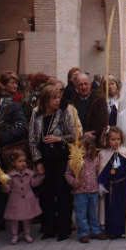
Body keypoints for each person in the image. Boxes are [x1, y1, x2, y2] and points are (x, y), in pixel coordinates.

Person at [29, 84, 75, 241]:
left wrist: (58, 138)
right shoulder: (36, 113)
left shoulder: (63, 112)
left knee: (62, 194)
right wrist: (38, 161)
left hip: (61, 158)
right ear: (45, 100)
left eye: (59, 97)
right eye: (54, 98)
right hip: (44, 159)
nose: (57, 101)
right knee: (46, 195)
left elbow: (73, 135)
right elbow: (32, 140)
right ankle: (48, 228)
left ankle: (64, 229)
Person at [0, 79, 28, 233]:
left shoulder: (12, 106)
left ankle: (20, 223)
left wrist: (1, 137)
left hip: (10, 154)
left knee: (14, 190)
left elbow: (22, 127)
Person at [65, 136, 106, 243]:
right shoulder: (73, 160)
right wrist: (74, 182)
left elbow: (98, 172)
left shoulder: (95, 159)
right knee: (81, 213)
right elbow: (67, 174)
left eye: (89, 149)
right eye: (83, 148)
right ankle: (83, 233)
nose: (86, 151)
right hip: (80, 191)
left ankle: (95, 231)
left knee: (93, 213)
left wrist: (100, 185)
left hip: (93, 190)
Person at [3, 149, 44, 244]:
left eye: (24, 161)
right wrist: (5, 186)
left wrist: (40, 176)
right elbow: (8, 189)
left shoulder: (29, 173)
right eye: (20, 161)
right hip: (15, 200)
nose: (23, 163)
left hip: (27, 200)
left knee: (27, 218)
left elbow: (33, 183)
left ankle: (27, 234)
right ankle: (15, 235)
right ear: (13, 163)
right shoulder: (10, 175)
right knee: (14, 219)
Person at [98, 127, 126, 238]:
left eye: (118, 139)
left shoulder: (125, 151)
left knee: (122, 207)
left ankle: (123, 229)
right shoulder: (103, 154)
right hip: (111, 186)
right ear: (107, 140)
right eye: (113, 139)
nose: (116, 142)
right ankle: (111, 230)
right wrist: (101, 183)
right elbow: (102, 170)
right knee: (111, 208)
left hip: (123, 185)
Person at [67, 73, 108, 146]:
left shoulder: (99, 100)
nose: (83, 87)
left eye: (86, 84)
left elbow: (103, 122)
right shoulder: (72, 101)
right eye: (80, 85)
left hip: (94, 141)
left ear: (90, 84)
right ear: (76, 87)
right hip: (77, 141)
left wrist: (92, 134)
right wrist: (83, 134)